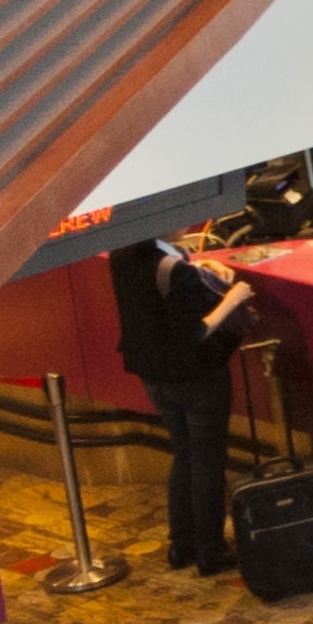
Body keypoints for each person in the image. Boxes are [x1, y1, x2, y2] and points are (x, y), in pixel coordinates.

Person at [119, 236, 253, 577]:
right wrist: (233, 298)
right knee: (207, 461)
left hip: (155, 377)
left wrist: (196, 271)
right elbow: (196, 331)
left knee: (184, 455)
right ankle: (211, 551)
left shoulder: (122, 254)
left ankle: (182, 546)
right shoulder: (174, 270)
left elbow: (158, 301)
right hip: (197, 377)